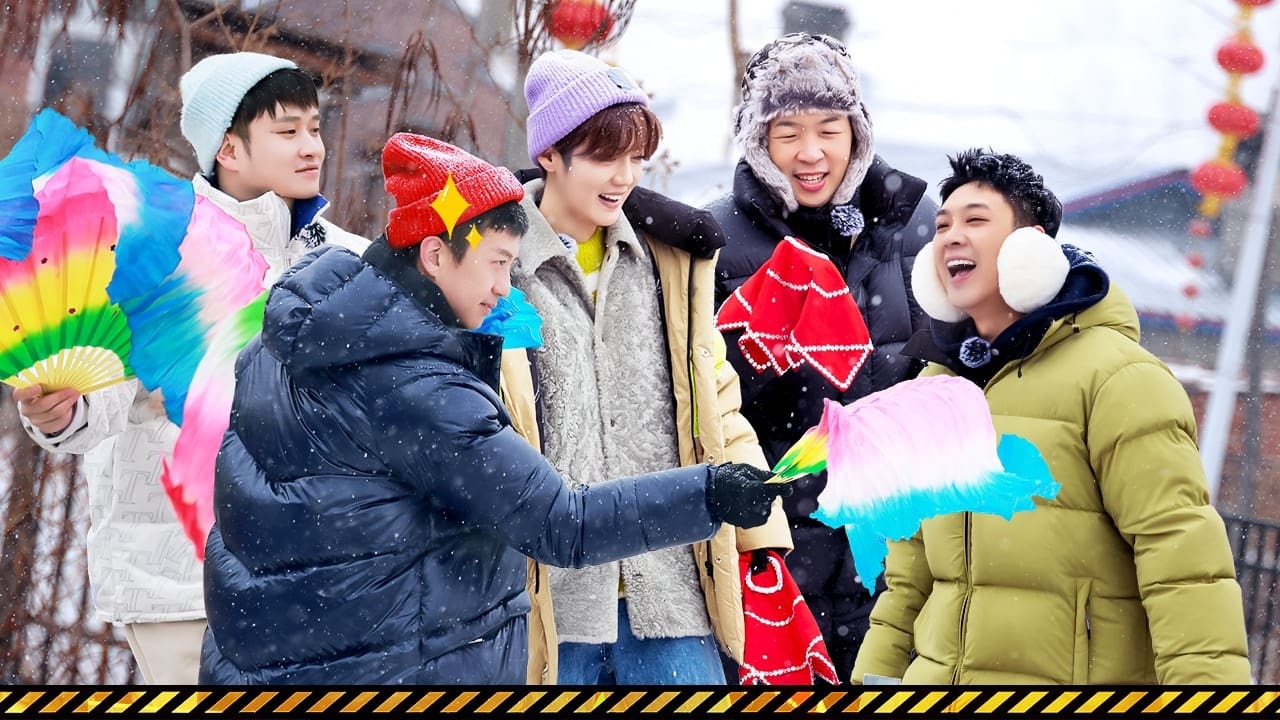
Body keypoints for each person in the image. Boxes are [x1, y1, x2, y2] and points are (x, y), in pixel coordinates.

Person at [196, 133, 790, 685]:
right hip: (397, 666)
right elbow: (562, 523)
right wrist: (709, 494)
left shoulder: (289, 339)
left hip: (276, 662)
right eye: (499, 262)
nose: (507, 286)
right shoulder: (420, 390)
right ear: (434, 255)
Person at [12, 51, 365, 684]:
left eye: (315, 127)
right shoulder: (154, 250)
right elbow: (98, 398)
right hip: (179, 578)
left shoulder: (348, 261)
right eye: (287, 131)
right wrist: (61, 412)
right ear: (228, 148)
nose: (311, 146)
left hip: (311, 582)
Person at [851, 148, 1252, 684]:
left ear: (1031, 247)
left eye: (975, 221)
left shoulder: (1118, 378)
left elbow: (1181, 561)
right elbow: (908, 581)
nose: (950, 238)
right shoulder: (932, 392)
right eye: (943, 225)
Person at [499, 49, 792, 686]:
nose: (625, 176)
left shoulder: (672, 257)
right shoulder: (497, 260)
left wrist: (760, 532)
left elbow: (716, 395)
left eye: (637, 157)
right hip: (549, 600)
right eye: (605, 156)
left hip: (672, 586)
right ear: (549, 153)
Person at [707, 33, 936, 682]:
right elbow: (701, 402)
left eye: (829, 130)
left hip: (893, 549)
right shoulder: (715, 240)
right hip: (776, 550)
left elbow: (948, 372)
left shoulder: (914, 226)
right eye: (788, 133)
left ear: (856, 134)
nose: (811, 153)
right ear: (758, 140)